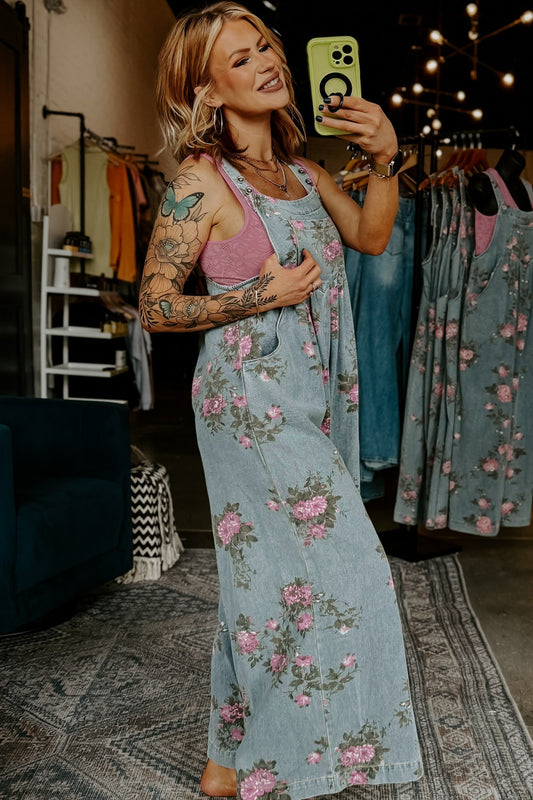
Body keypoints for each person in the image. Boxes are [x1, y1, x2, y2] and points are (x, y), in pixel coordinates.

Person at [139, 3, 423, 798]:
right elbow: (154, 305)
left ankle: (224, 764)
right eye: (239, 58)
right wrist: (256, 295)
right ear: (205, 90)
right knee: (351, 571)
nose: (265, 61)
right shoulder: (201, 182)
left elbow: (371, 237)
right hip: (248, 398)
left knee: (262, 579)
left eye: (264, 45)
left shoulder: (304, 173)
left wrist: (386, 157)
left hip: (314, 387)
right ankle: (295, 764)